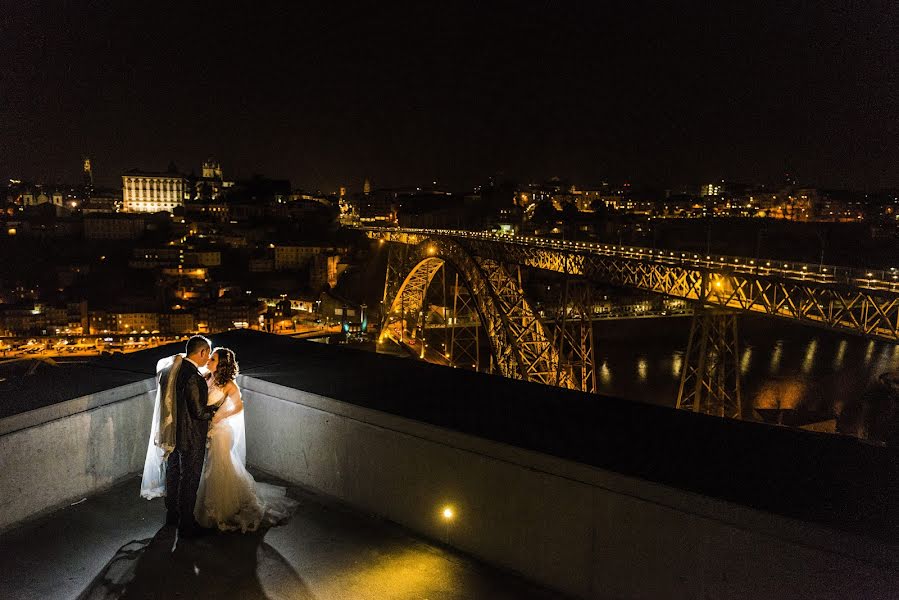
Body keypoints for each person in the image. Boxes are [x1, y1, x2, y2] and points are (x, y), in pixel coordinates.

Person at [194, 347, 296, 532]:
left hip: (222, 432)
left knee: (218, 466)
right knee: (213, 466)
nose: (209, 360)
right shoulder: (206, 377)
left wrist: (220, 416)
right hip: (209, 429)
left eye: (213, 359)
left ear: (222, 364)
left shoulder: (230, 385)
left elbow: (239, 407)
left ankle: (221, 506)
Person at [140, 335, 219, 537]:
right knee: (190, 478)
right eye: (207, 354)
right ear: (201, 352)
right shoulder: (193, 377)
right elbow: (198, 412)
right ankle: (186, 523)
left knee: (173, 473)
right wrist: (215, 409)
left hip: (173, 433)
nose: (207, 358)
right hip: (191, 436)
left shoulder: (172, 369)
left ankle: (172, 515)